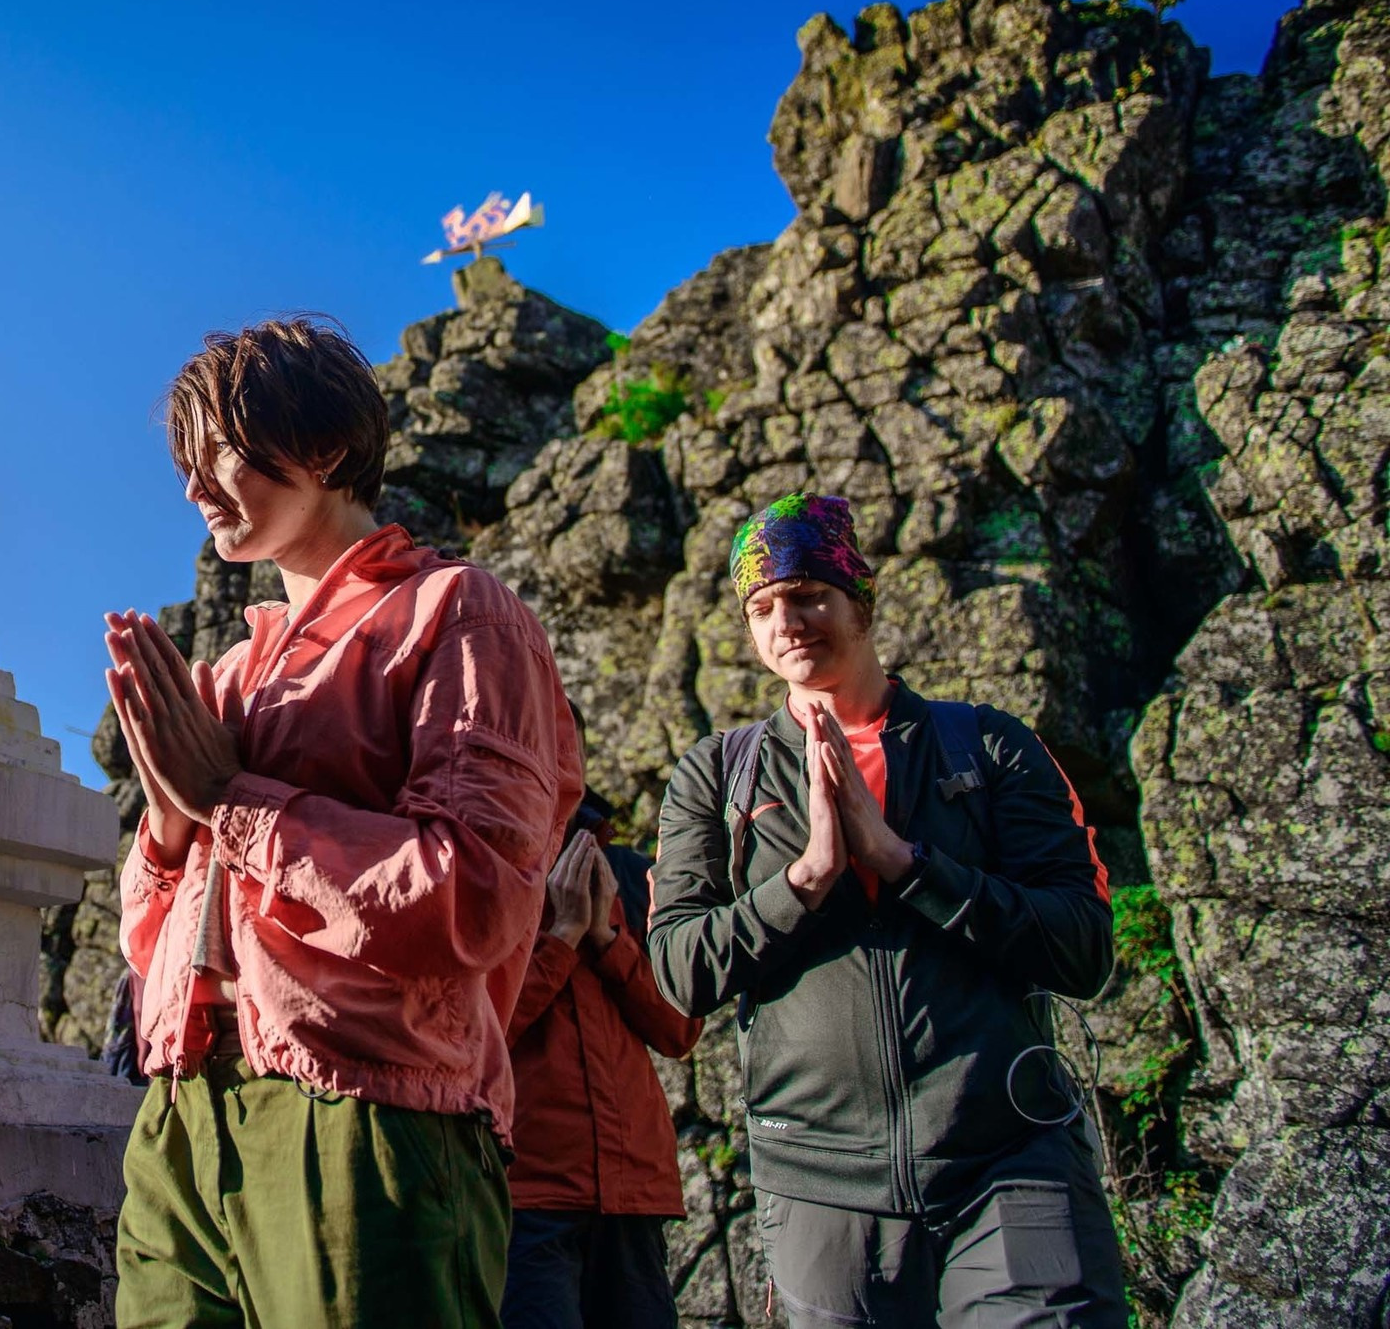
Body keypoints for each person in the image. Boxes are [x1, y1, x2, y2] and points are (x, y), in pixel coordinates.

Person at [106, 317, 581, 1329]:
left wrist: (230, 802)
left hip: (370, 1111)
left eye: (217, 453)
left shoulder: (460, 613)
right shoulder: (226, 675)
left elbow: (477, 897)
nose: (194, 489)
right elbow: (146, 937)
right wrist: (169, 815)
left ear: (322, 447)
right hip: (181, 1112)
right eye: (182, 463)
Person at [646, 493, 1127, 1327]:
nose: (787, 621)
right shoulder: (718, 775)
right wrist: (806, 878)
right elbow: (679, 970)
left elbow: (1082, 946)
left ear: (860, 603)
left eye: (808, 595)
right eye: (762, 608)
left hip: (1010, 1160)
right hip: (818, 1187)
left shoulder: (986, 744)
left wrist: (908, 867)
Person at [502, 788, 700, 1329]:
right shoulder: (488, 871)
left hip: (632, 1189)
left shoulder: (630, 876)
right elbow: (479, 1032)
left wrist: (605, 937)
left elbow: (681, 1027)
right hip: (527, 1194)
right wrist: (563, 936)